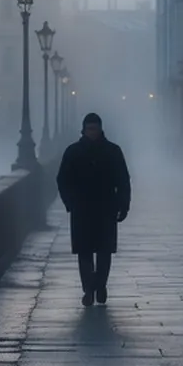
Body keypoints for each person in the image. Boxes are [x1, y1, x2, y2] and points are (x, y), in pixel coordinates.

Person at [55, 111, 131, 307]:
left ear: (100, 129)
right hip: (82, 209)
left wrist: (124, 205)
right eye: (89, 129)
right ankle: (89, 288)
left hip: (106, 208)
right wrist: (69, 202)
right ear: (83, 129)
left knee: (104, 251)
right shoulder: (73, 152)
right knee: (84, 252)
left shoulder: (113, 151)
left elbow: (123, 181)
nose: (92, 132)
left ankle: (100, 284)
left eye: (95, 129)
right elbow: (62, 180)